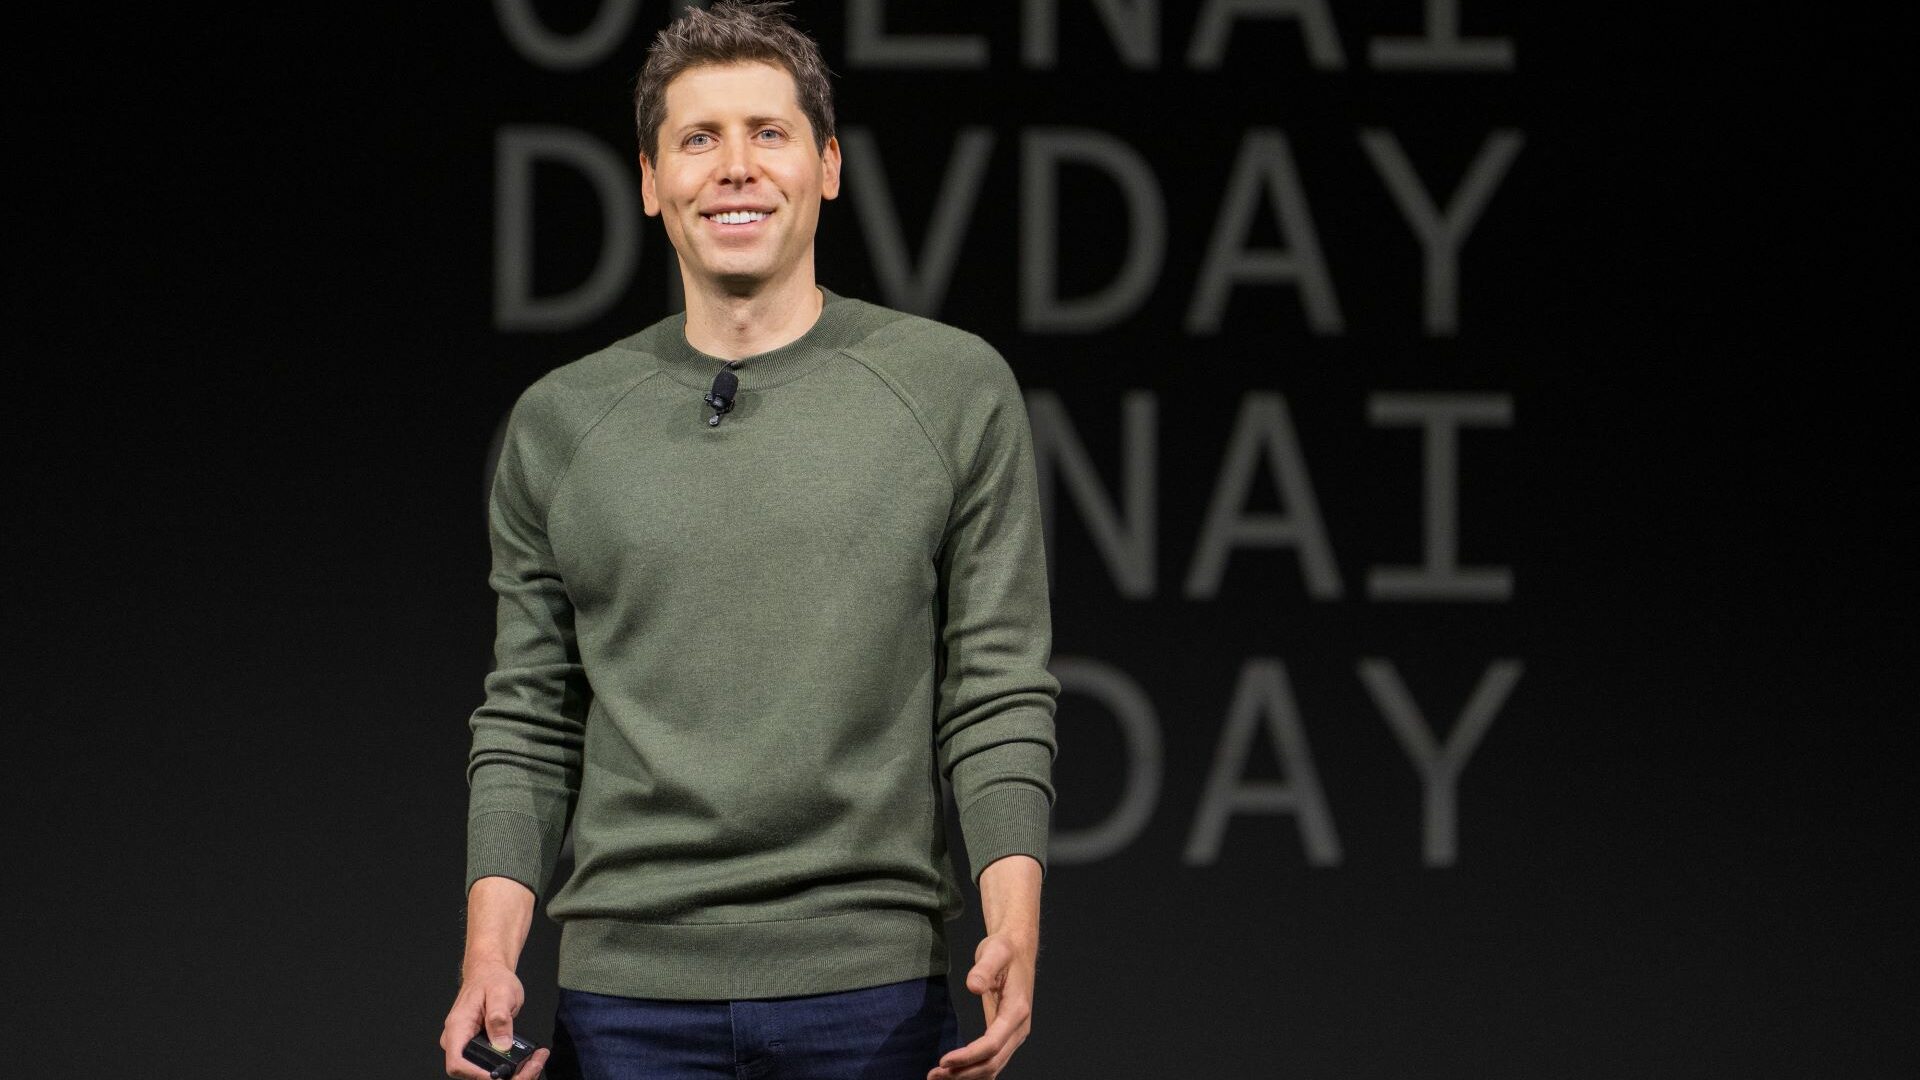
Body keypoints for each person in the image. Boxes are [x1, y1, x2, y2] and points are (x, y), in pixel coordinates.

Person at [437, 3, 1059, 1079]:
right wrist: (491, 955)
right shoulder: (563, 421)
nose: (735, 168)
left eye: (768, 134)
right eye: (698, 138)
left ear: (826, 167)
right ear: (648, 182)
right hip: (626, 993)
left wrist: (1015, 919)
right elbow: (531, 716)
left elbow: (996, 689)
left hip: (869, 988)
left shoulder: (952, 390)